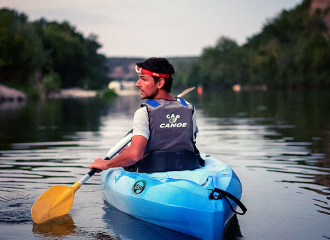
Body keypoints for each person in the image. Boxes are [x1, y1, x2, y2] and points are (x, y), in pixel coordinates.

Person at [90, 57, 202, 173]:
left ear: (160, 83)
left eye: (143, 79)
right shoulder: (189, 107)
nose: (137, 84)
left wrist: (106, 164)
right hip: (189, 167)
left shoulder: (144, 112)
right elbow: (187, 142)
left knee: (124, 151)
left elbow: (135, 155)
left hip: (155, 170)